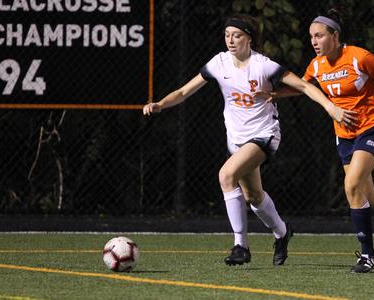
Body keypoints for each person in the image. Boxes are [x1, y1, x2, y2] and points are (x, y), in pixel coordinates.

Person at [143, 14, 356, 266]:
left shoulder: (263, 65)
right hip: (236, 139)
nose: (230, 40)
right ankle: (282, 233)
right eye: (227, 35)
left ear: (249, 39)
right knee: (254, 196)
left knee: (226, 175)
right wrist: (160, 104)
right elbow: (183, 91)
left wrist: (331, 108)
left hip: (264, 134)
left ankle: (240, 246)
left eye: (237, 35)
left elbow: (306, 87)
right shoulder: (219, 63)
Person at [263, 8, 374, 273]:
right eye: (311, 37)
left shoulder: (359, 57)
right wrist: (276, 95)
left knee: (351, 184)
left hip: (372, 127)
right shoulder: (316, 65)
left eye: (319, 36)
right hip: (345, 136)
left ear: (335, 35)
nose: (314, 41)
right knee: (371, 200)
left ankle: (368, 255)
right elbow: (305, 88)